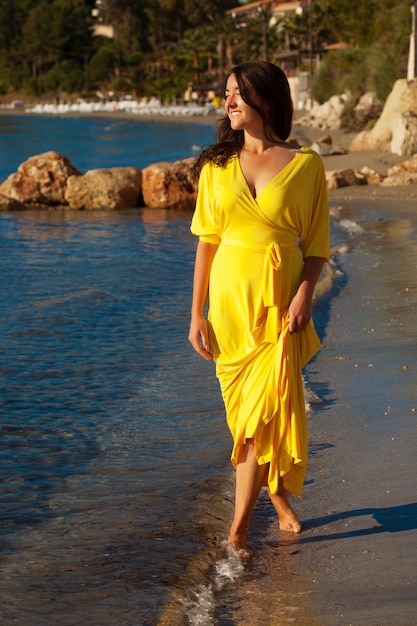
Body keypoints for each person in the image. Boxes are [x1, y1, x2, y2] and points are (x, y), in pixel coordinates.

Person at [188, 61, 330, 556]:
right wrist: (196, 314)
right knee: (244, 417)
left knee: (257, 420)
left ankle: (239, 529)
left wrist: (304, 293)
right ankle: (274, 490)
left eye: (238, 94)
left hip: (278, 301)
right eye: (225, 94)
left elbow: (315, 247)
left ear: (266, 100)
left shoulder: (306, 164)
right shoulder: (215, 166)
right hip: (228, 305)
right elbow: (207, 243)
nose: (228, 103)